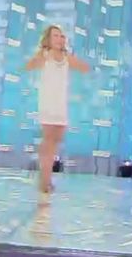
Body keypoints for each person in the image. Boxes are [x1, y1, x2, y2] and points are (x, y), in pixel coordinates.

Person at [25, 25, 90, 192]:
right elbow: (28, 66)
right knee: (48, 142)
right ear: (48, 38)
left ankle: (46, 178)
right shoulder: (45, 56)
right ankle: (44, 180)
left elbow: (85, 68)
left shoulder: (67, 58)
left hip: (60, 104)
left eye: (61, 36)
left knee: (55, 144)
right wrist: (40, 54)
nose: (59, 39)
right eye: (55, 36)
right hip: (48, 103)